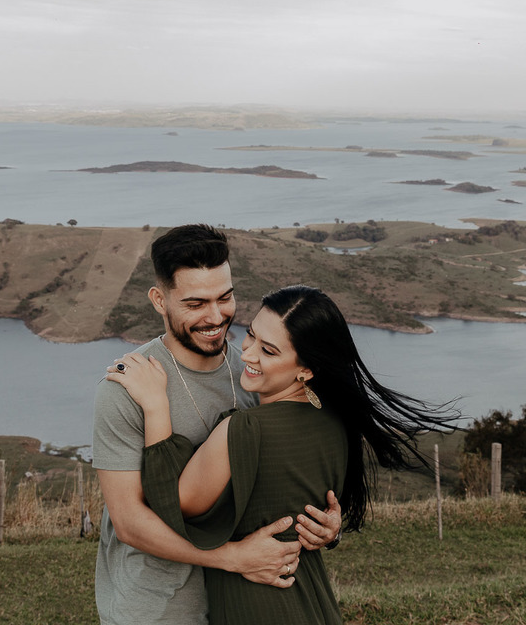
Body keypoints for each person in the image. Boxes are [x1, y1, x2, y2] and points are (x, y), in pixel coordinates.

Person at [107, 284, 460, 625]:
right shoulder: (335, 422)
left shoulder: (245, 430)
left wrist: (155, 406)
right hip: (315, 602)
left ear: (306, 369)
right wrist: (330, 532)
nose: (247, 354)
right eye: (251, 335)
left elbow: (168, 506)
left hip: (258, 607)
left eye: (269, 351)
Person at [92, 225, 342, 625]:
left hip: (244, 603)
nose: (215, 317)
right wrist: (230, 558)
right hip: (160, 609)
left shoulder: (257, 374)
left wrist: (326, 527)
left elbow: (275, 482)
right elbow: (129, 523)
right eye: (195, 304)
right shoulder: (127, 387)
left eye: (224, 297)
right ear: (160, 300)